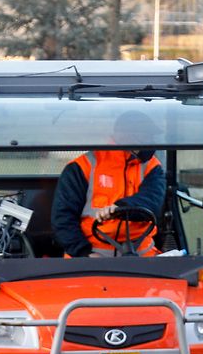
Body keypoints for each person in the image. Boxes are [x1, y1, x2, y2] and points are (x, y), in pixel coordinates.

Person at [52, 110, 166, 257]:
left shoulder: (152, 167)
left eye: (150, 135)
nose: (149, 140)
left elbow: (152, 202)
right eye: (144, 134)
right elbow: (62, 218)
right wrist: (84, 254)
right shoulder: (82, 167)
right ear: (123, 135)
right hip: (91, 254)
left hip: (141, 253)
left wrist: (119, 208)